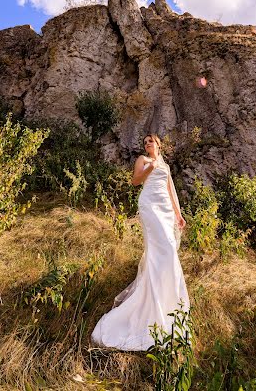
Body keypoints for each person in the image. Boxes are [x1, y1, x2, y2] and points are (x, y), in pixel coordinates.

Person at [90, 133, 190, 351]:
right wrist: (150, 168)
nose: (147, 144)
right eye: (145, 142)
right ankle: (151, 295)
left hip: (164, 208)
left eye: (151, 141)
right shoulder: (143, 161)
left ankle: (167, 294)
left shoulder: (165, 165)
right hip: (149, 206)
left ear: (158, 144)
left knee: (169, 250)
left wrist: (178, 214)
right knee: (160, 248)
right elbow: (135, 181)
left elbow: (171, 191)